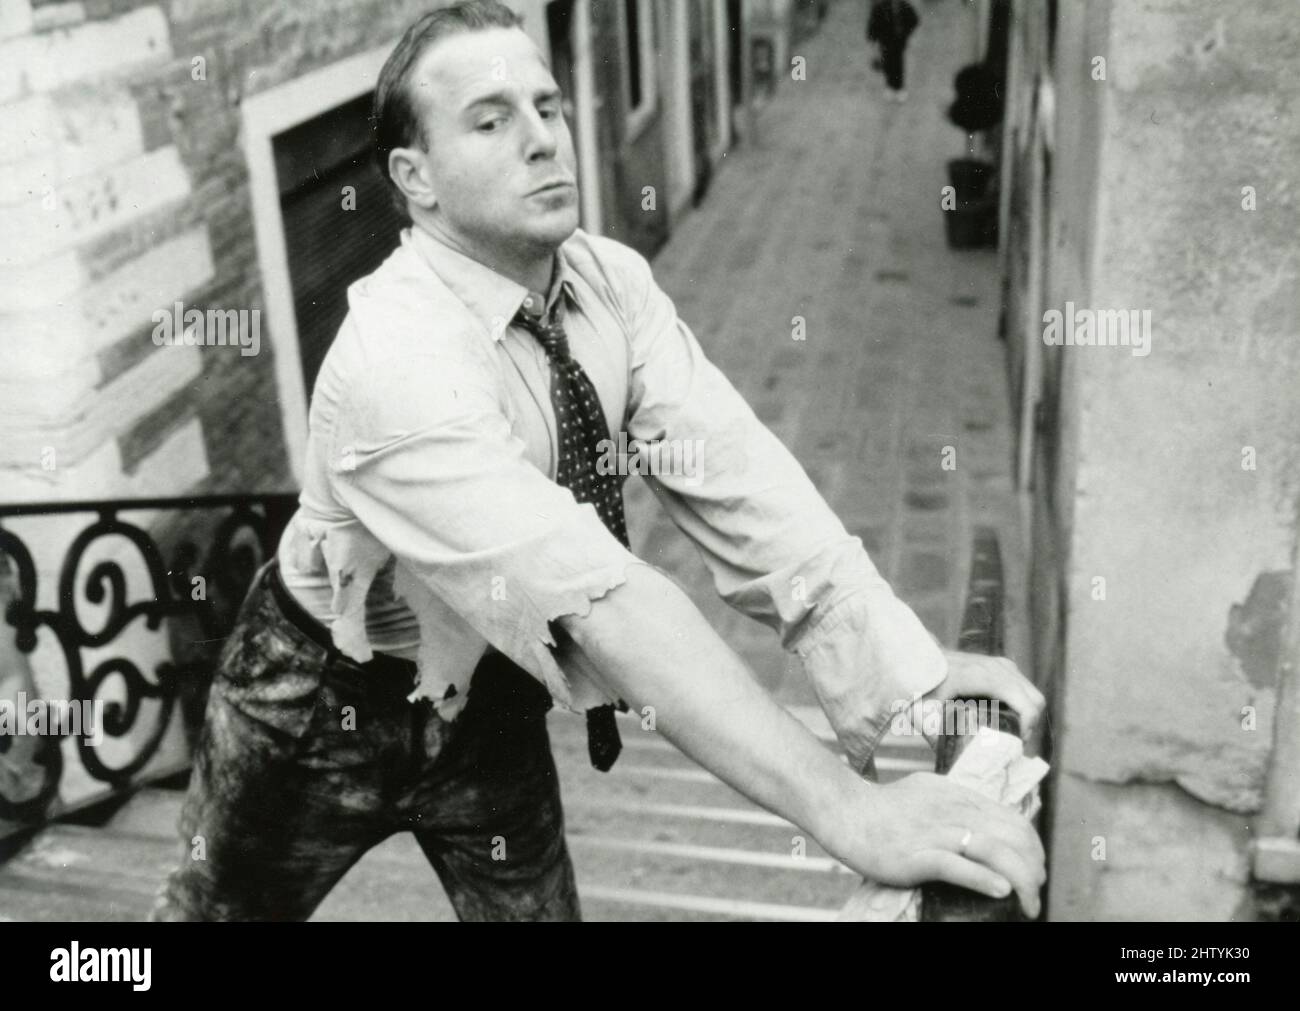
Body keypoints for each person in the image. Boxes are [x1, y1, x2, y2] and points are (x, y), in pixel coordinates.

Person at [150, 0, 1045, 922]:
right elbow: (602, 600)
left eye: (548, 106)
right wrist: (853, 811)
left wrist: (912, 672)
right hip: (318, 704)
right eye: (491, 121)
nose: (542, 139)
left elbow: (742, 477)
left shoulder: (609, 281)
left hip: (487, 684)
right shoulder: (394, 361)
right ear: (414, 177)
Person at [868, 0, 920, 101]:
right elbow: (873, 24)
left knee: (898, 63)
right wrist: (873, 39)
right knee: (888, 63)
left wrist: (906, 33)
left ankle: (899, 87)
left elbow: (914, 20)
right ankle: (890, 86)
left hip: (899, 41)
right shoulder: (880, 7)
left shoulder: (904, 6)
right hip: (885, 41)